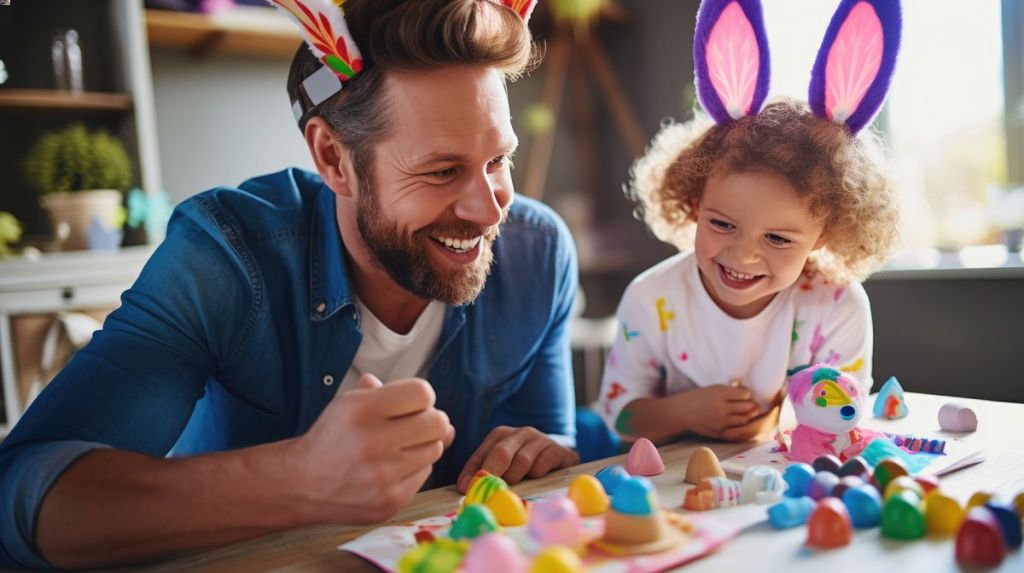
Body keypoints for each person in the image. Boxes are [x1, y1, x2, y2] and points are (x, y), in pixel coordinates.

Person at [0, 0, 581, 569]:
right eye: (442, 170)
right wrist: (298, 479)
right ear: (333, 158)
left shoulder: (538, 256)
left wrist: (543, 451)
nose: (487, 210)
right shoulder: (224, 259)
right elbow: (22, 499)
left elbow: (544, 461)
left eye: (499, 160)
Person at [598, 0, 902, 444]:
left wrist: (772, 422)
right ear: (693, 201)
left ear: (826, 234)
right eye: (722, 224)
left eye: (778, 238)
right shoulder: (651, 298)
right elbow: (616, 417)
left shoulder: (837, 307)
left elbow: (844, 418)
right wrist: (685, 412)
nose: (743, 254)